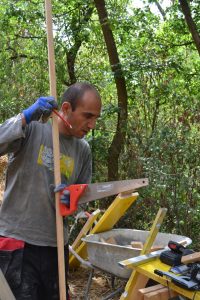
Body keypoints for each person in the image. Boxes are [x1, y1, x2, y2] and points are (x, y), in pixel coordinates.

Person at [0, 82, 102, 299]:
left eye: (96, 118)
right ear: (66, 108)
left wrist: (69, 201)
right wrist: (25, 116)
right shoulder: (33, 129)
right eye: (87, 116)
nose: (92, 124)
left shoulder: (82, 150)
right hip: (19, 243)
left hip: (55, 247)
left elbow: (81, 197)